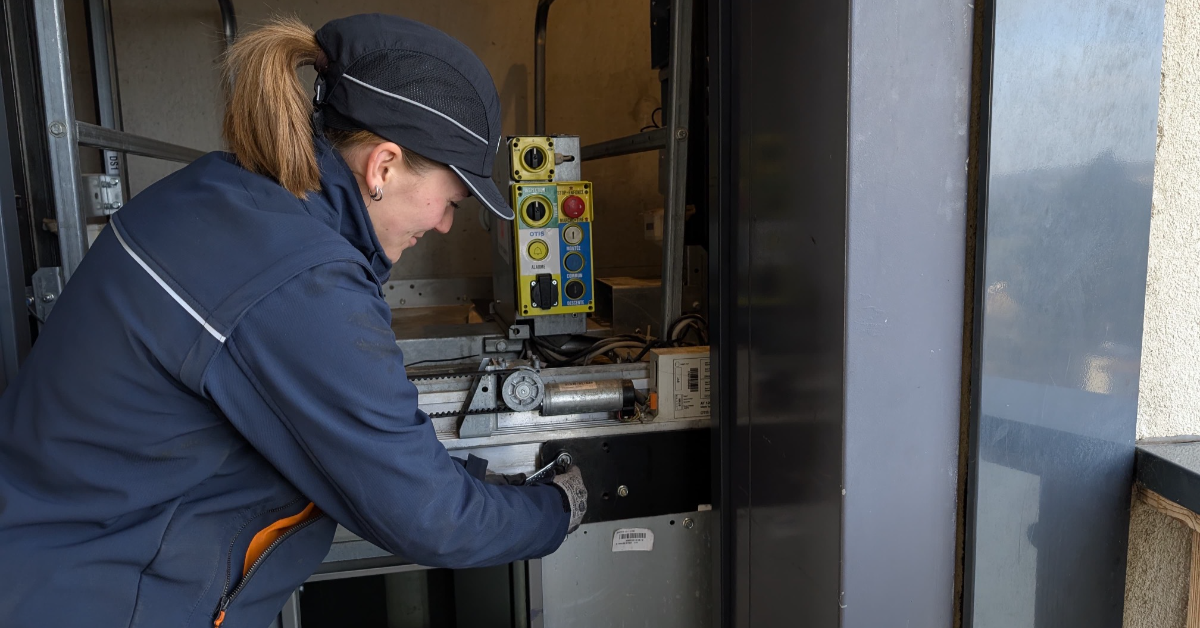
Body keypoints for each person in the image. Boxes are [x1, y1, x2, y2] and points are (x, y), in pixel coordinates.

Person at [0, 13, 586, 628]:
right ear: (383, 166)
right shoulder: (298, 277)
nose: (444, 223)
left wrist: (479, 481)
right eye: (451, 198)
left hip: (48, 565)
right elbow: (432, 520)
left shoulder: (222, 194)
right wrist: (555, 508)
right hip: (98, 599)